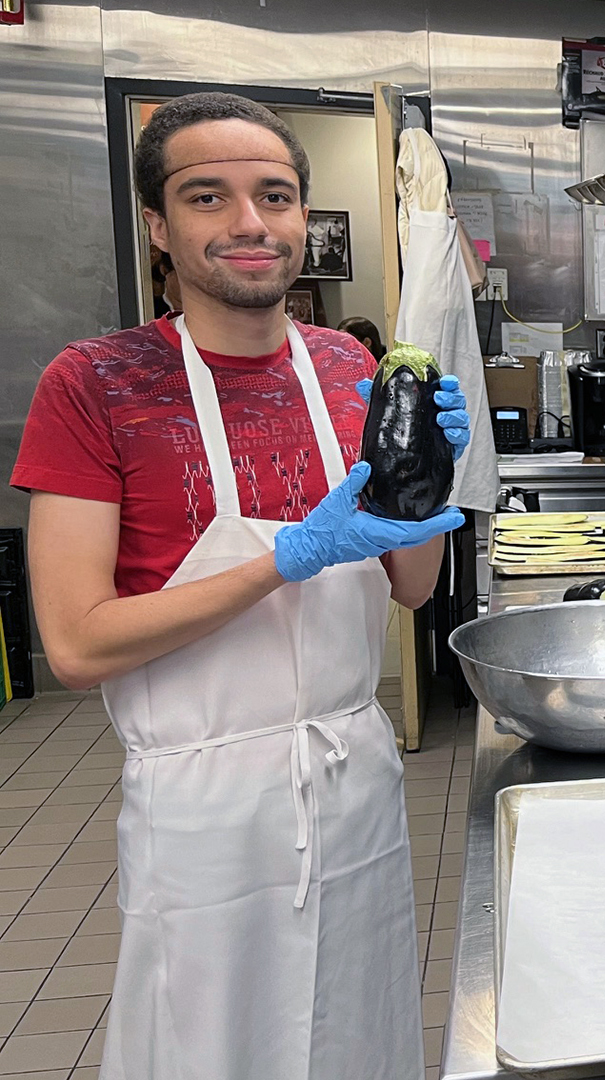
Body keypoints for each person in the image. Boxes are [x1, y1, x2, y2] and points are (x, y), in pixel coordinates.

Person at [10, 92, 472, 1080]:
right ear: (158, 226)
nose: (250, 222)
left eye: (275, 195)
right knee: (210, 1045)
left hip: (352, 778)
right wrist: (285, 562)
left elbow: (410, 586)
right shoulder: (95, 384)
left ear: (303, 214)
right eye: (207, 197)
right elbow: (79, 645)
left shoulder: (348, 366)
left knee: (357, 1032)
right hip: (203, 801)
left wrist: (432, 481)